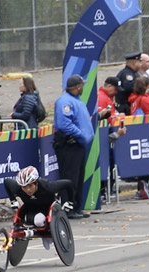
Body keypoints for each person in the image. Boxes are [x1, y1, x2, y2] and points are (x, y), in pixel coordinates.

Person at [53, 74, 94, 219]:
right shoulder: (65, 102)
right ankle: (67, 208)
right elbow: (65, 125)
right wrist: (81, 135)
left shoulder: (75, 100)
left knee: (77, 177)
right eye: (82, 85)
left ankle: (76, 206)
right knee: (69, 177)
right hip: (70, 143)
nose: (83, 87)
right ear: (77, 87)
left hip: (78, 144)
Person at [3, 166, 74, 249]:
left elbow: (69, 184)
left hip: (46, 208)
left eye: (30, 186)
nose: (28, 190)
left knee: (38, 220)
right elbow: (6, 182)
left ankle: (48, 234)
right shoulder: (17, 188)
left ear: (36, 183)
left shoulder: (48, 186)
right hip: (30, 207)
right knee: (25, 220)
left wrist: (70, 202)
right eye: (24, 187)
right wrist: (13, 200)